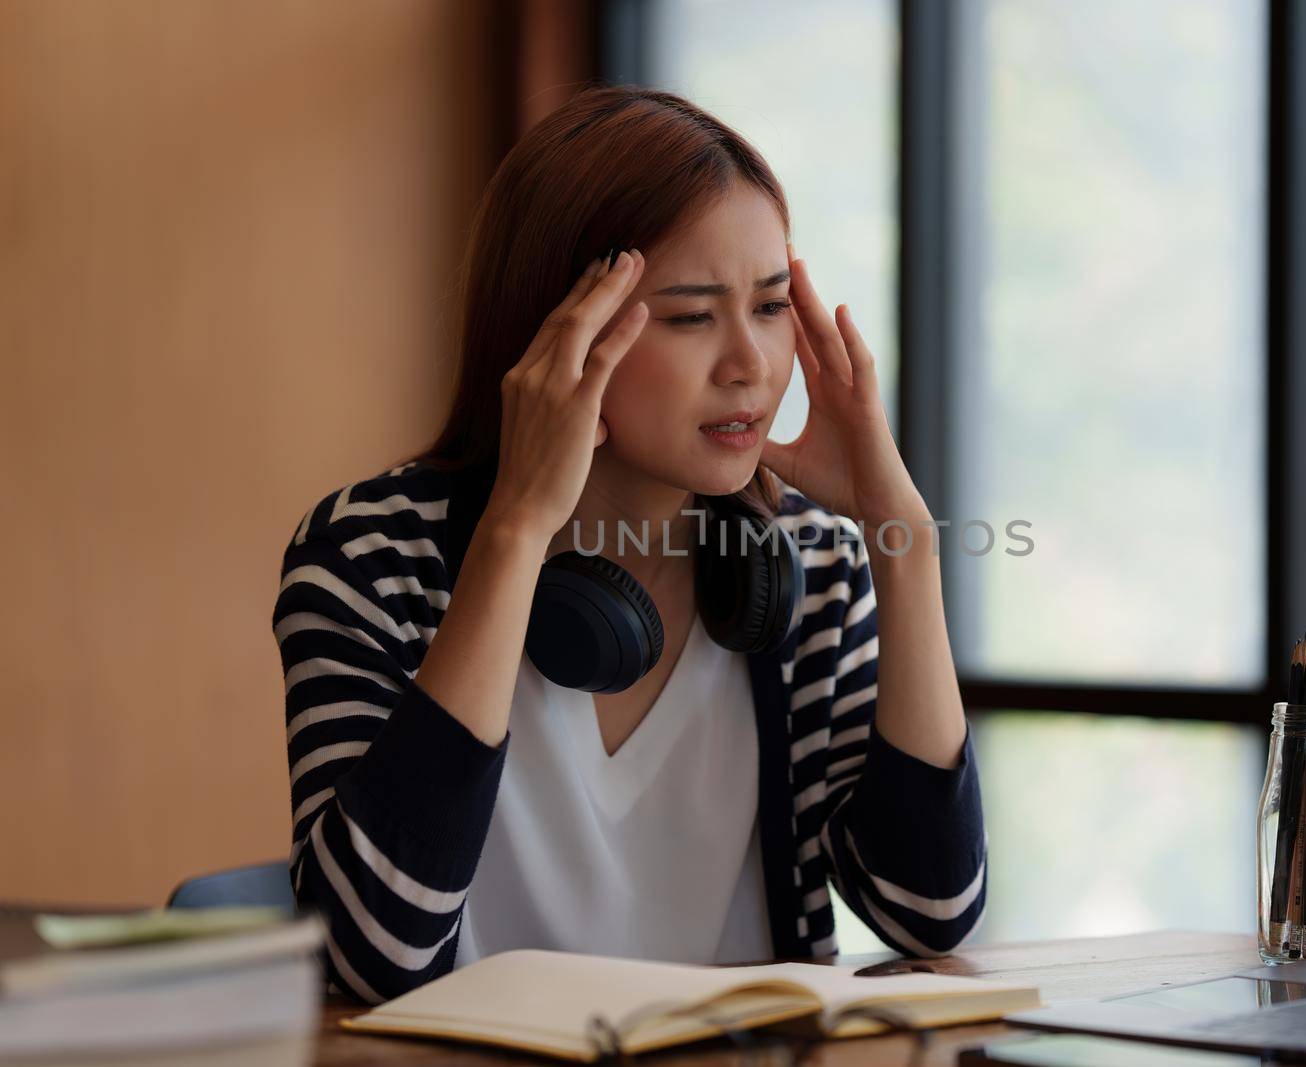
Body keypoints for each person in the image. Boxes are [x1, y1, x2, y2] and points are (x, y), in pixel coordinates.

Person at [272, 84, 986, 1005]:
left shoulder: (806, 565)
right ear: (558, 331)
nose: (751, 365)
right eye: (692, 316)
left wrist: (907, 545)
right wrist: (516, 531)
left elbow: (930, 913)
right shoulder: (367, 558)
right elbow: (372, 950)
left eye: (770, 308)